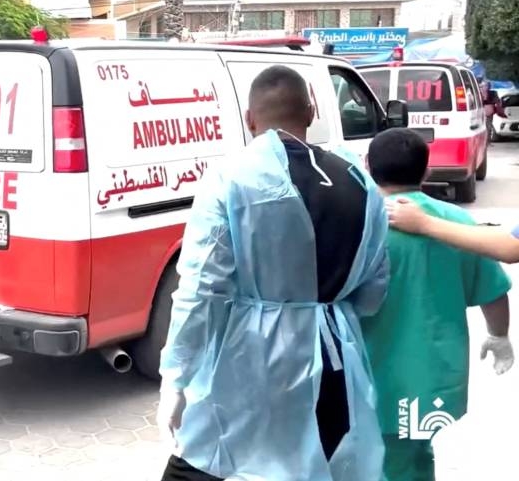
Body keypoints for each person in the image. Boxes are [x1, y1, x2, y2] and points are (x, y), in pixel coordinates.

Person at [157, 65, 389, 481]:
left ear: (250, 119)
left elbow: (201, 289)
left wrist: (176, 377)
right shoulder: (359, 180)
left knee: (203, 463)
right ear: (312, 111)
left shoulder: (232, 176)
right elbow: (373, 292)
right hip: (336, 358)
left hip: (249, 361)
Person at [360, 128, 513, 481]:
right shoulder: (457, 222)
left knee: (385, 459)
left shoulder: (357, 222)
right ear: (427, 171)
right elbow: (493, 291)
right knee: (412, 452)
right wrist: (499, 335)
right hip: (430, 375)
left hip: (368, 372)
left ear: (368, 165)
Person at [387, 198, 519, 264]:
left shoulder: (373, 216)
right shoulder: (459, 216)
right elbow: (492, 292)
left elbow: (511, 248)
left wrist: (423, 223)